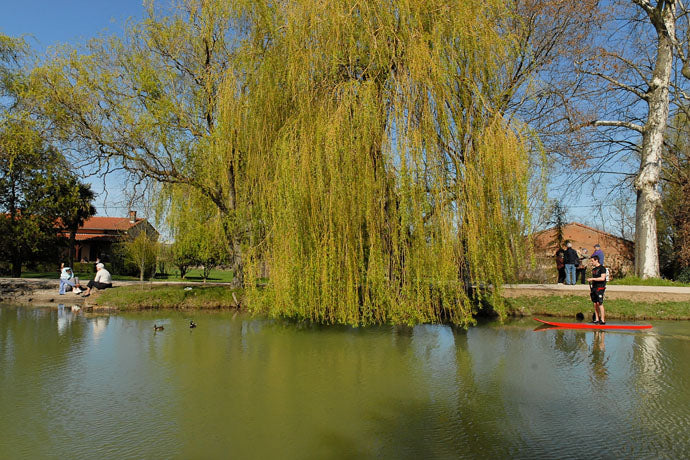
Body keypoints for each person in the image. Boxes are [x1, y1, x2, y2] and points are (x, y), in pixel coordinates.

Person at [587, 255, 607, 324]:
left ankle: (603, 320)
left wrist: (592, 279)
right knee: (595, 303)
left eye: (592, 261)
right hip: (594, 288)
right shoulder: (593, 270)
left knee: (600, 303)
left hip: (600, 287)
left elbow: (602, 278)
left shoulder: (602, 268)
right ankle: (597, 319)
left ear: (596, 260)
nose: (591, 262)